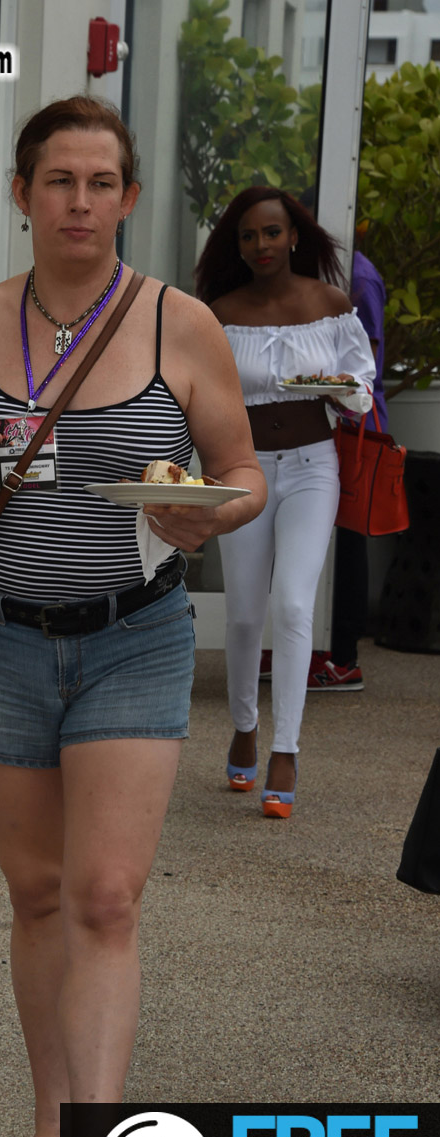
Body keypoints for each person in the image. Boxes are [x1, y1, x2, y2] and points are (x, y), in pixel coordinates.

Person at [0, 96, 265, 1137]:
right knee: (40, 892)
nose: (81, 202)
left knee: (105, 895)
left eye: (102, 183)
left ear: (130, 198)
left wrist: (206, 515)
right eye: (59, 181)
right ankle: (49, 1129)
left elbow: (242, 472)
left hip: (132, 636)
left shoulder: (177, 322)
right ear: (22, 195)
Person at [195, 187, 375, 818]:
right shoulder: (220, 312)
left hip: (311, 468)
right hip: (242, 471)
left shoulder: (329, 304)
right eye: (248, 236)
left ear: (294, 236)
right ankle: (244, 725)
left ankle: (286, 749)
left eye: (271, 233)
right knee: (245, 612)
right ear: (236, 246)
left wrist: (337, 387)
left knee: (295, 603)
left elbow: (361, 387)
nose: (261, 245)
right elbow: (199, 394)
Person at [307, 227, 390, 691]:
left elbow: (366, 363)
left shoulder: (360, 276)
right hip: (328, 425)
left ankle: (343, 656)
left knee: (349, 539)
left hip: (358, 430)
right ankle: (315, 648)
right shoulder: (328, 274)